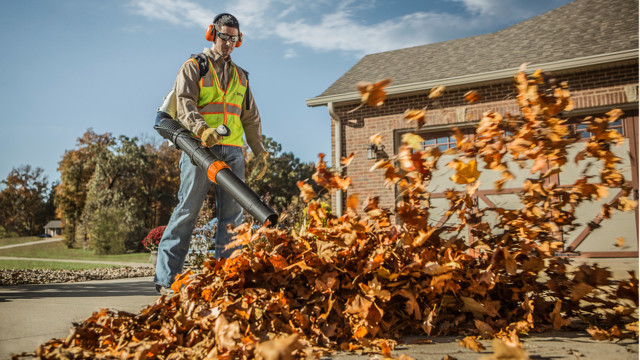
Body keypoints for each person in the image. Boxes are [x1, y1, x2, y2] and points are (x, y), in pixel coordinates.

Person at [154, 13, 268, 294]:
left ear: (238, 41)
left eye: (233, 38)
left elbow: (250, 118)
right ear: (212, 35)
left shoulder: (242, 76)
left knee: (233, 218)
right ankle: (167, 280)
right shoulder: (195, 67)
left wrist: (260, 151)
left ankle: (226, 278)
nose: (227, 42)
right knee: (187, 211)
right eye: (223, 36)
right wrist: (201, 129)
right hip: (199, 150)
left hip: (233, 152)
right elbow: (184, 103)